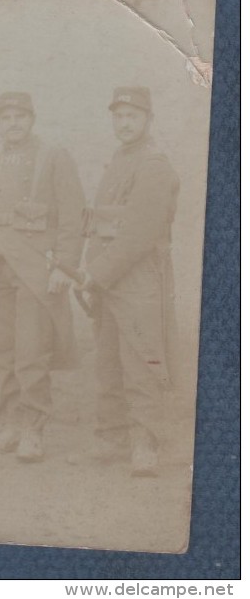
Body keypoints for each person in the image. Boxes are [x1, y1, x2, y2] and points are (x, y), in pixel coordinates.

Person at [0, 92, 86, 462]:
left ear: (31, 119)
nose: (13, 123)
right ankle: (11, 425)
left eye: (20, 116)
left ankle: (32, 430)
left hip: (34, 268)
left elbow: (72, 215)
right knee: (3, 351)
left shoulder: (52, 157)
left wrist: (64, 266)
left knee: (31, 352)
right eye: (6, 117)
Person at [72, 87, 179, 477]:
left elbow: (138, 234)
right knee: (108, 362)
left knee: (141, 363)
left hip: (138, 282)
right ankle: (112, 438)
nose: (124, 122)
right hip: (109, 282)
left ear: (148, 119)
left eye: (132, 115)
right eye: (118, 115)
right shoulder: (118, 162)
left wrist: (96, 273)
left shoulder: (154, 166)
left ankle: (145, 443)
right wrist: (90, 272)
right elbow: (101, 225)